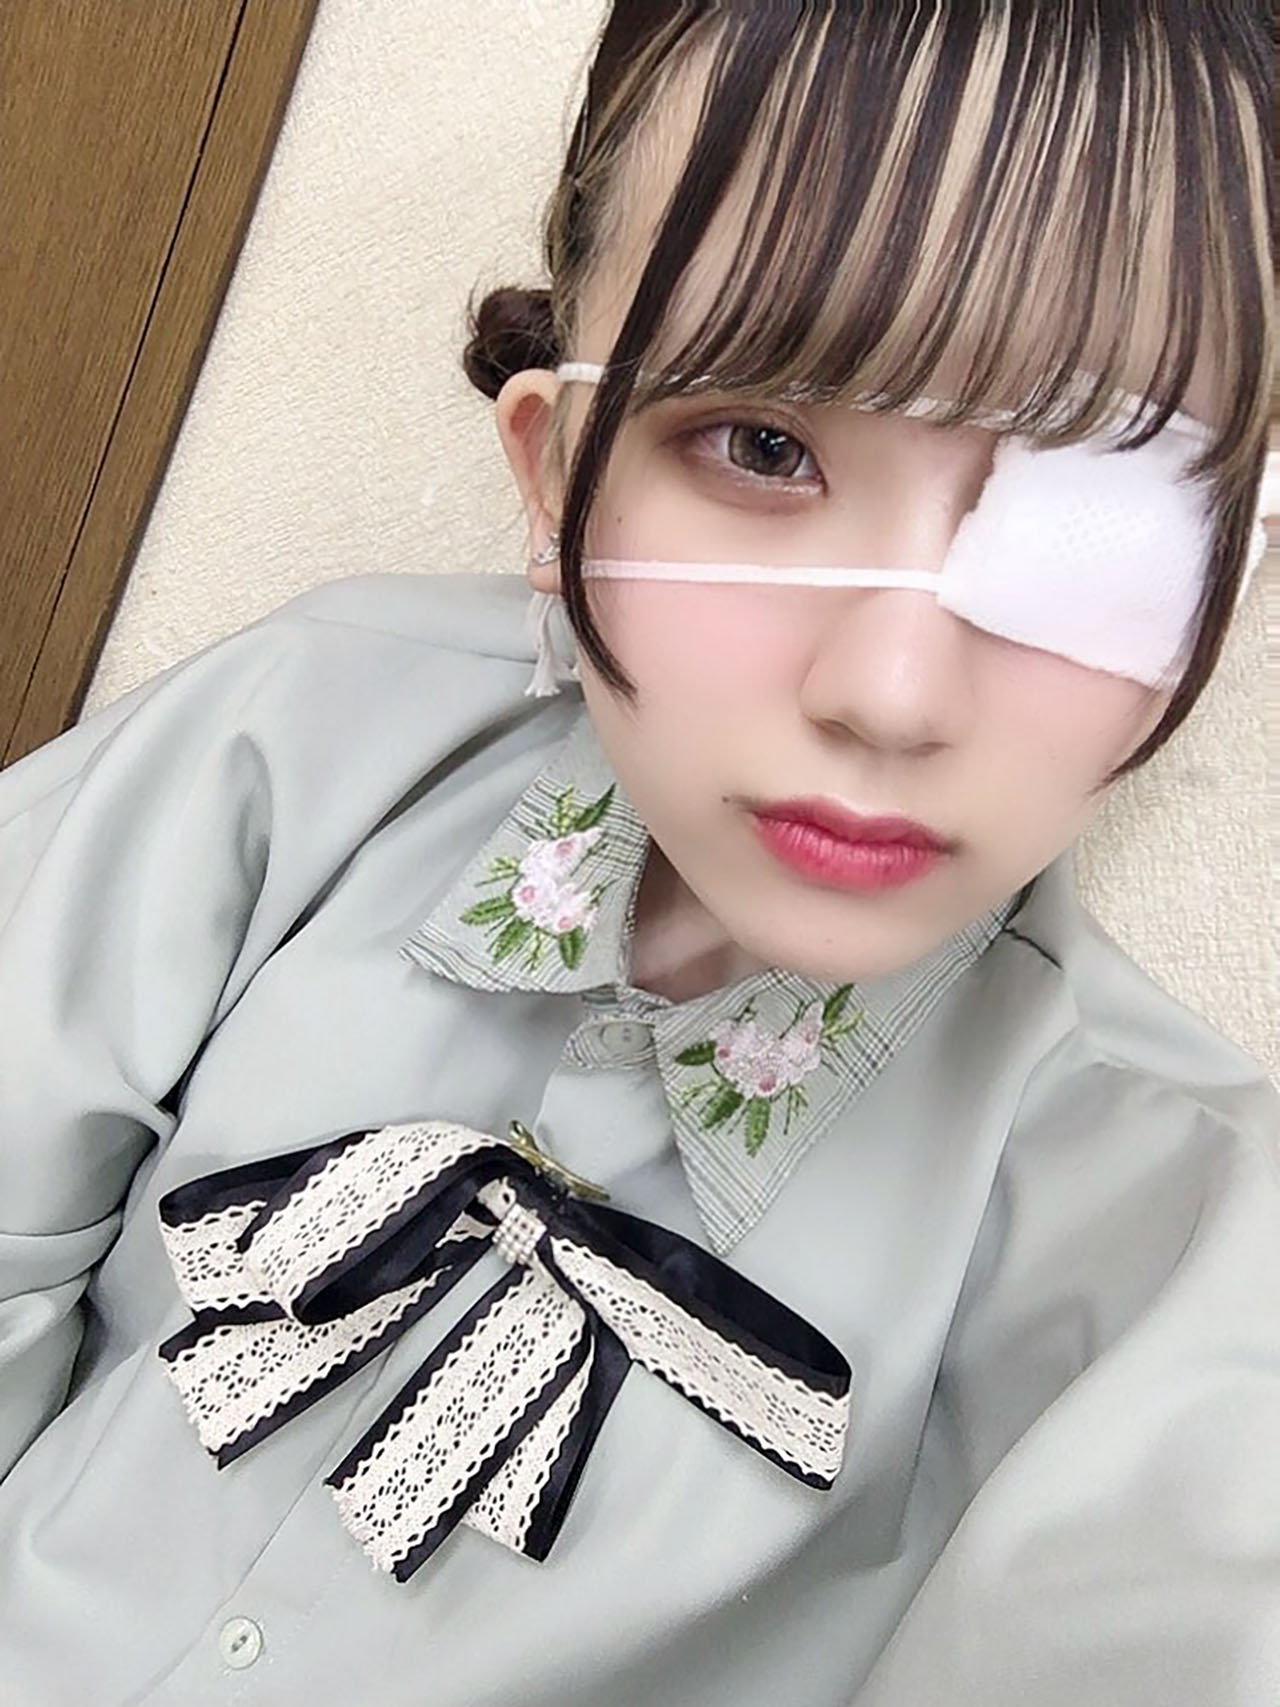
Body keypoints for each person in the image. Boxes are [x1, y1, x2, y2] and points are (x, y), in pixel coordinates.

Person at [1, 3, 1276, 1703]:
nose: (890, 693)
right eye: (763, 447)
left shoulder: (1181, 1251)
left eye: (1092, 515)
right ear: (556, 472)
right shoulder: (296, 748)